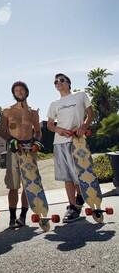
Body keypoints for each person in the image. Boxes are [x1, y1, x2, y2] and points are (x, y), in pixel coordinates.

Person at [47, 73, 94, 222]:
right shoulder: (54, 104)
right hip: (59, 142)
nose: (58, 83)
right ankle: (73, 207)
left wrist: (84, 126)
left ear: (68, 83)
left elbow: (91, 114)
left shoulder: (80, 96)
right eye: (56, 82)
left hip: (77, 141)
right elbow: (49, 125)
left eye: (62, 80)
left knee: (79, 174)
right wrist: (59, 130)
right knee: (67, 176)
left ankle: (81, 197)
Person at [0, 81, 42, 228]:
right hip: (14, 150)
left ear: (26, 91)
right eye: (16, 90)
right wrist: (11, 141)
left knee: (28, 184)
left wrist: (37, 143)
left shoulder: (33, 112)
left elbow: (38, 131)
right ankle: (12, 218)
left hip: (29, 150)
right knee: (13, 186)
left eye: (21, 89)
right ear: (14, 94)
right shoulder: (7, 111)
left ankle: (23, 217)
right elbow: (1, 131)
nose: (19, 92)